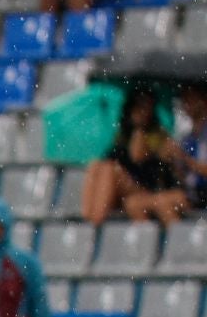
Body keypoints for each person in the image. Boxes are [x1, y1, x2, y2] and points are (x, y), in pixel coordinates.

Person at [81, 89, 191, 225]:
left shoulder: (157, 134)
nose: (143, 111)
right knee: (96, 165)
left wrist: (139, 127)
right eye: (140, 106)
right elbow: (110, 156)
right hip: (123, 191)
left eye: (147, 106)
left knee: (110, 169)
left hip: (145, 187)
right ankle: (88, 216)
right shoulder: (123, 135)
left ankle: (96, 219)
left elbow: (137, 156)